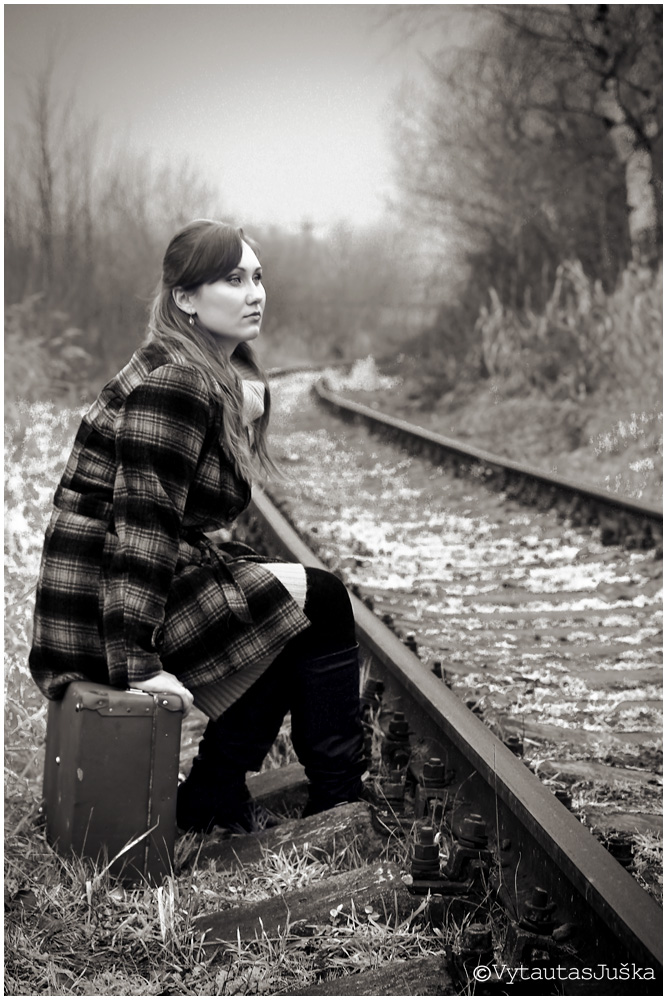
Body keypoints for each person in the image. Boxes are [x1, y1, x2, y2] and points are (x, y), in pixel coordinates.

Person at [29, 219, 365, 832]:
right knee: (321, 600)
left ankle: (216, 792)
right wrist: (138, 663)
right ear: (185, 297)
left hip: (99, 604)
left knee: (287, 606)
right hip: (104, 620)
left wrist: (244, 401)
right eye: (232, 280)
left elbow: (176, 500)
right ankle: (335, 797)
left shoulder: (188, 370)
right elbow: (145, 526)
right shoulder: (177, 384)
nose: (255, 293)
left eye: (257, 277)